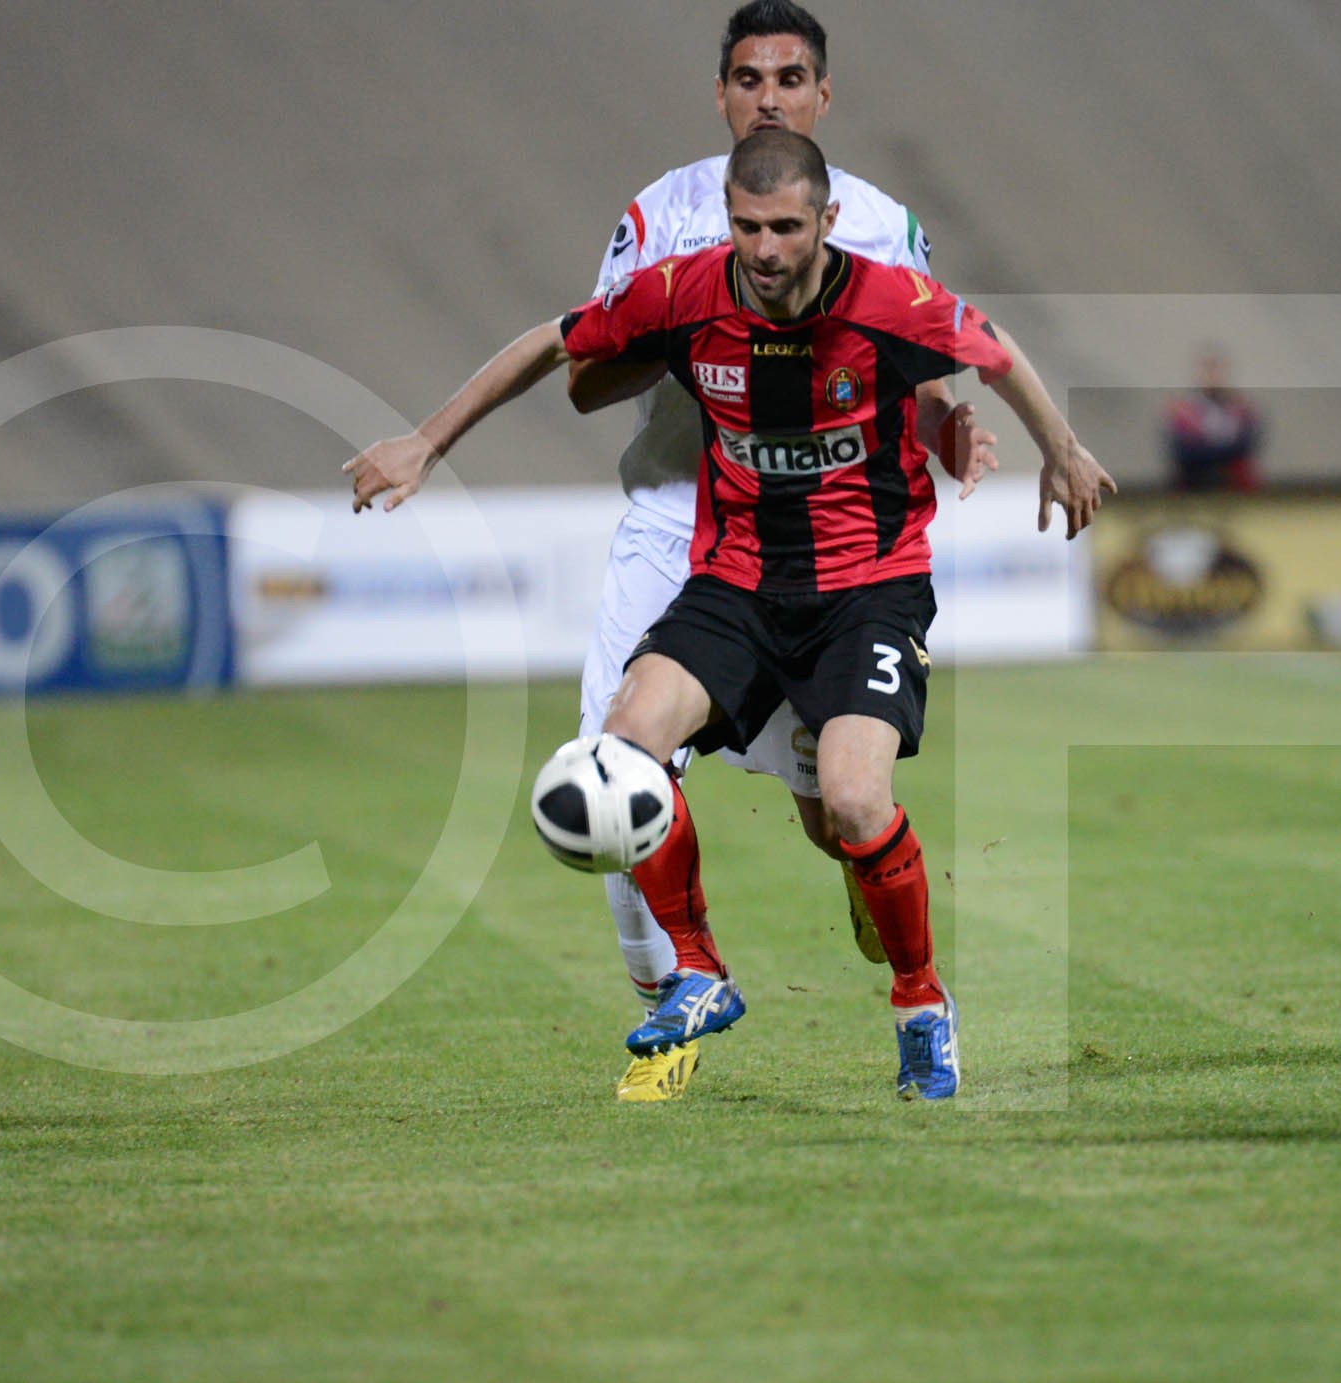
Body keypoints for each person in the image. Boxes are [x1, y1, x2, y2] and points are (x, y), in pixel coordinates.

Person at [344, 1, 983, 1103]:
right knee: (613, 765)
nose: (768, 97)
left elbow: (918, 360)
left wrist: (939, 414)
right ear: (721, 91)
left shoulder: (877, 221)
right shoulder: (665, 217)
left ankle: (871, 892)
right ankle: (673, 1012)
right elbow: (588, 375)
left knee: (837, 807)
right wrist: (690, 329)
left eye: (790, 79)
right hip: (676, 515)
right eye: (748, 78)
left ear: (823, 97)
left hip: (825, 536)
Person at [569, 129, 1111, 1102]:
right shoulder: (692, 288)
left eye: (785, 226)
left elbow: (990, 349)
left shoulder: (887, 299)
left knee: (852, 807)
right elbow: (566, 344)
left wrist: (1060, 450)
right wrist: (472, 418)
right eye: (748, 227)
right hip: (736, 582)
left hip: (867, 589)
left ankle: (921, 1003)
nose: (766, 248)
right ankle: (697, 972)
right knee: (622, 747)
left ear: (826, 220)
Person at [1163, 344, 1261, 491]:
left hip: (1231, 473)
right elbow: (1180, 449)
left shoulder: (1240, 408)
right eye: (1207, 369)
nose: (1212, 375)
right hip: (1193, 474)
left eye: (1216, 368)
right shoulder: (1184, 409)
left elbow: (1247, 444)